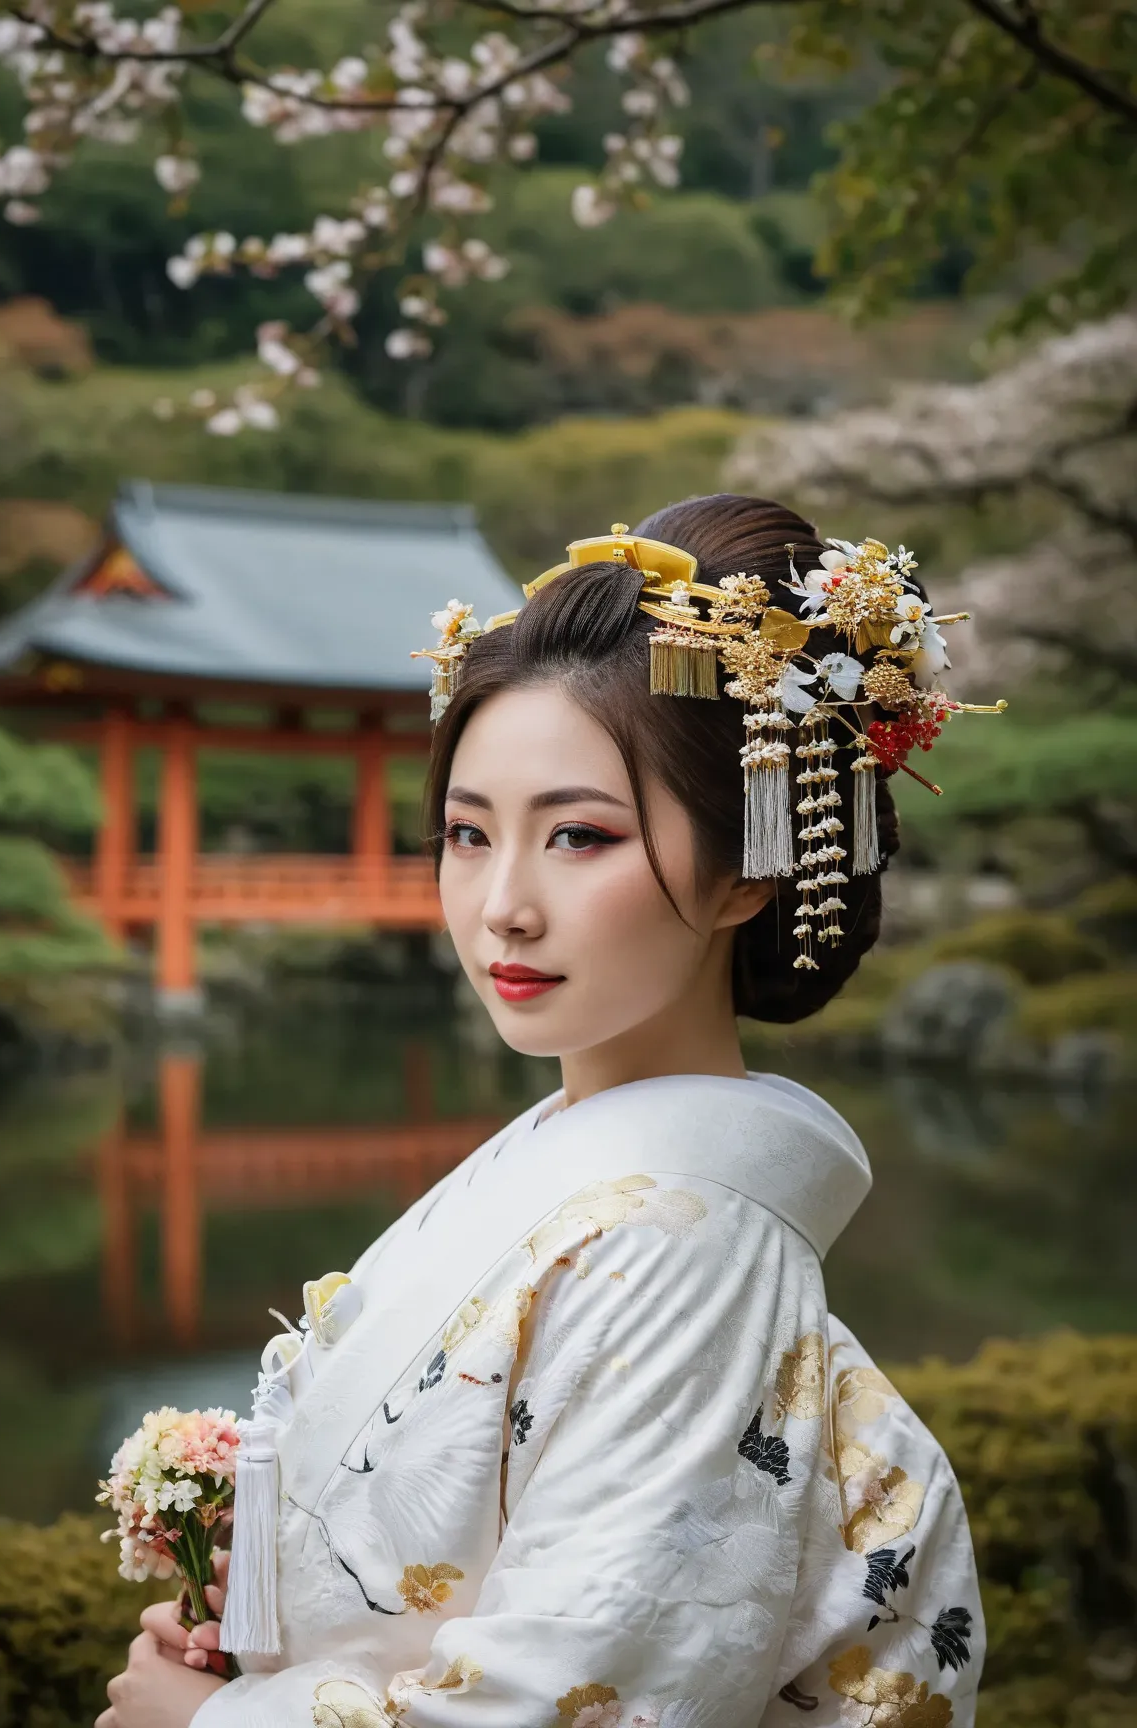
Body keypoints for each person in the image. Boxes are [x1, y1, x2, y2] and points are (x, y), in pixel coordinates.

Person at [102, 494, 984, 1728]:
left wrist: (204, 1726)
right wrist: (250, 1633)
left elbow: (580, 1701)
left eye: (578, 836)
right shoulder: (556, 1172)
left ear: (745, 868)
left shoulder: (691, 1241)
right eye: (468, 835)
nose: (503, 906)